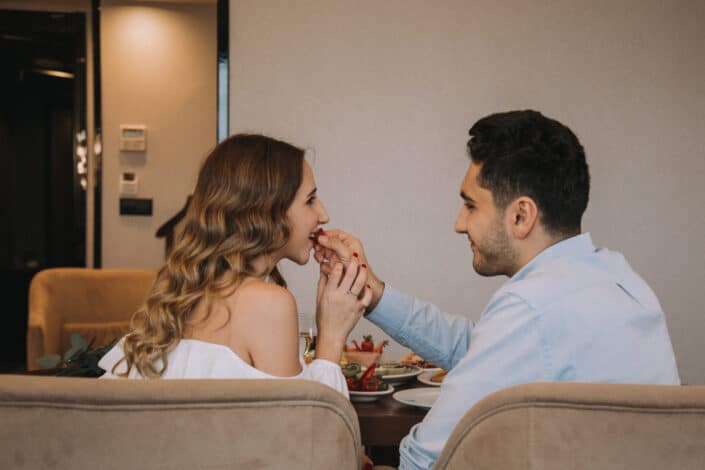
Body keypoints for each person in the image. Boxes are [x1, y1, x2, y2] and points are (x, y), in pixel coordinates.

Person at [314, 110, 680, 469]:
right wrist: (374, 294)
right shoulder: (619, 278)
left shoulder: (531, 305)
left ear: (521, 216)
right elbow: (475, 348)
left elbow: (428, 459)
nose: (459, 224)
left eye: (470, 205)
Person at [99, 134, 372, 399]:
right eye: (310, 200)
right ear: (268, 211)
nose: (323, 215)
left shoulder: (185, 289)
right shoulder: (267, 303)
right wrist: (332, 337)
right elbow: (304, 436)